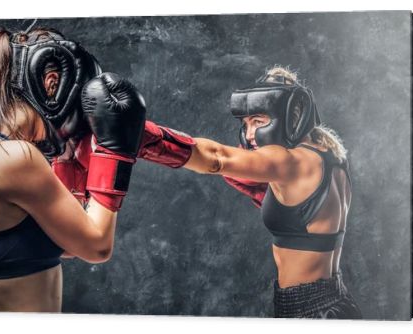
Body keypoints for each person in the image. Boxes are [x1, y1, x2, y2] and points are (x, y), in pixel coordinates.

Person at [136, 66, 362, 319]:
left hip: (308, 311)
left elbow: (216, 157)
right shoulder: (330, 155)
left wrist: (135, 133)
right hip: (336, 300)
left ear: (292, 117)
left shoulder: (289, 162)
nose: (250, 134)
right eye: (246, 124)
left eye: (259, 121)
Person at [0, 27, 146, 312]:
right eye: (81, 104)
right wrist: (116, 151)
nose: (79, 122)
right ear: (53, 84)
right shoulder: (12, 157)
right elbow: (96, 247)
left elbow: (66, 246)